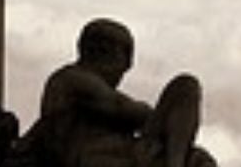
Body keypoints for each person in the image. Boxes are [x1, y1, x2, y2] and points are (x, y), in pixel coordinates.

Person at [22, 19, 213, 167]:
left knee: (197, 159)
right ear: (106, 51)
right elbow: (123, 109)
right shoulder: (73, 78)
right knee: (185, 88)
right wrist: (164, 118)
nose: (126, 69)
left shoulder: (70, 80)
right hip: (101, 160)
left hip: (119, 155)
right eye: (125, 58)